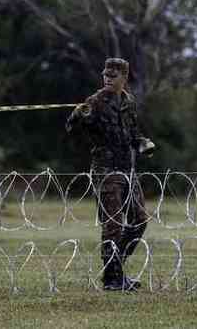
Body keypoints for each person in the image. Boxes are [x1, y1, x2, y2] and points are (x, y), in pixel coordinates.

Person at [66, 58, 155, 291]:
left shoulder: (129, 103)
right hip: (106, 171)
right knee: (113, 224)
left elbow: (133, 133)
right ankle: (112, 278)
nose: (107, 79)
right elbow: (71, 129)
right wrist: (77, 115)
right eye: (105, 75)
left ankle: (115, 269)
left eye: (113, 76)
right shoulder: (94, 102)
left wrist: (143, 143)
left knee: (140, 220)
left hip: (128, 169)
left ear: (124, 78)